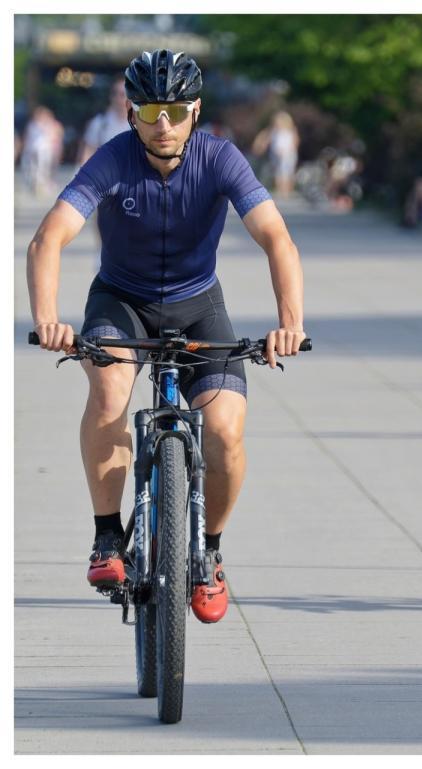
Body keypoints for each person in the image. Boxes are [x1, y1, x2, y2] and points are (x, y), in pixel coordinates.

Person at [26, 49, 306, 624]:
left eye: (175, 110)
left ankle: (210, 551)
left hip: (199, 305)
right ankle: (108, 538)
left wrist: (290, 323)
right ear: (131, 112)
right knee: (108, 395)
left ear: (194, 110)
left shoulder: (220, 159)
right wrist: (48, 317)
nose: (163, 123)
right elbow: (48, 238)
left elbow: (277, 238)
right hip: (121, 302)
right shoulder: (112, 159)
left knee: (226, 429)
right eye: (150, 109)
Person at [77, 75, 130, 165]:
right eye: (115, 94)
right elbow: (87, 153)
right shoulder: (99, 123)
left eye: (122, 95)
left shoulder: (141, 125)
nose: (118, 99)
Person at [252, 111, 300, 198]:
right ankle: (281, 190)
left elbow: (295, 142)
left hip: (288, 154)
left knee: (287, 172)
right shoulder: (273, 131)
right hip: (276, 155)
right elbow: (266, 140)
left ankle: (287, 191)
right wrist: (261, 147)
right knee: (278, 173)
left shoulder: (291, 130)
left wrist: (289, 151)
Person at [21, 106, 64, 197]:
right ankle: (36, 185)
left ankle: (44, 185)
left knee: (45, 168)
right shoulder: (32, 125)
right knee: (33, 168)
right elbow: (27, 137)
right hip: (32, 149)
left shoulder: (49, 124)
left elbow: (57, 134)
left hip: (45, 150)